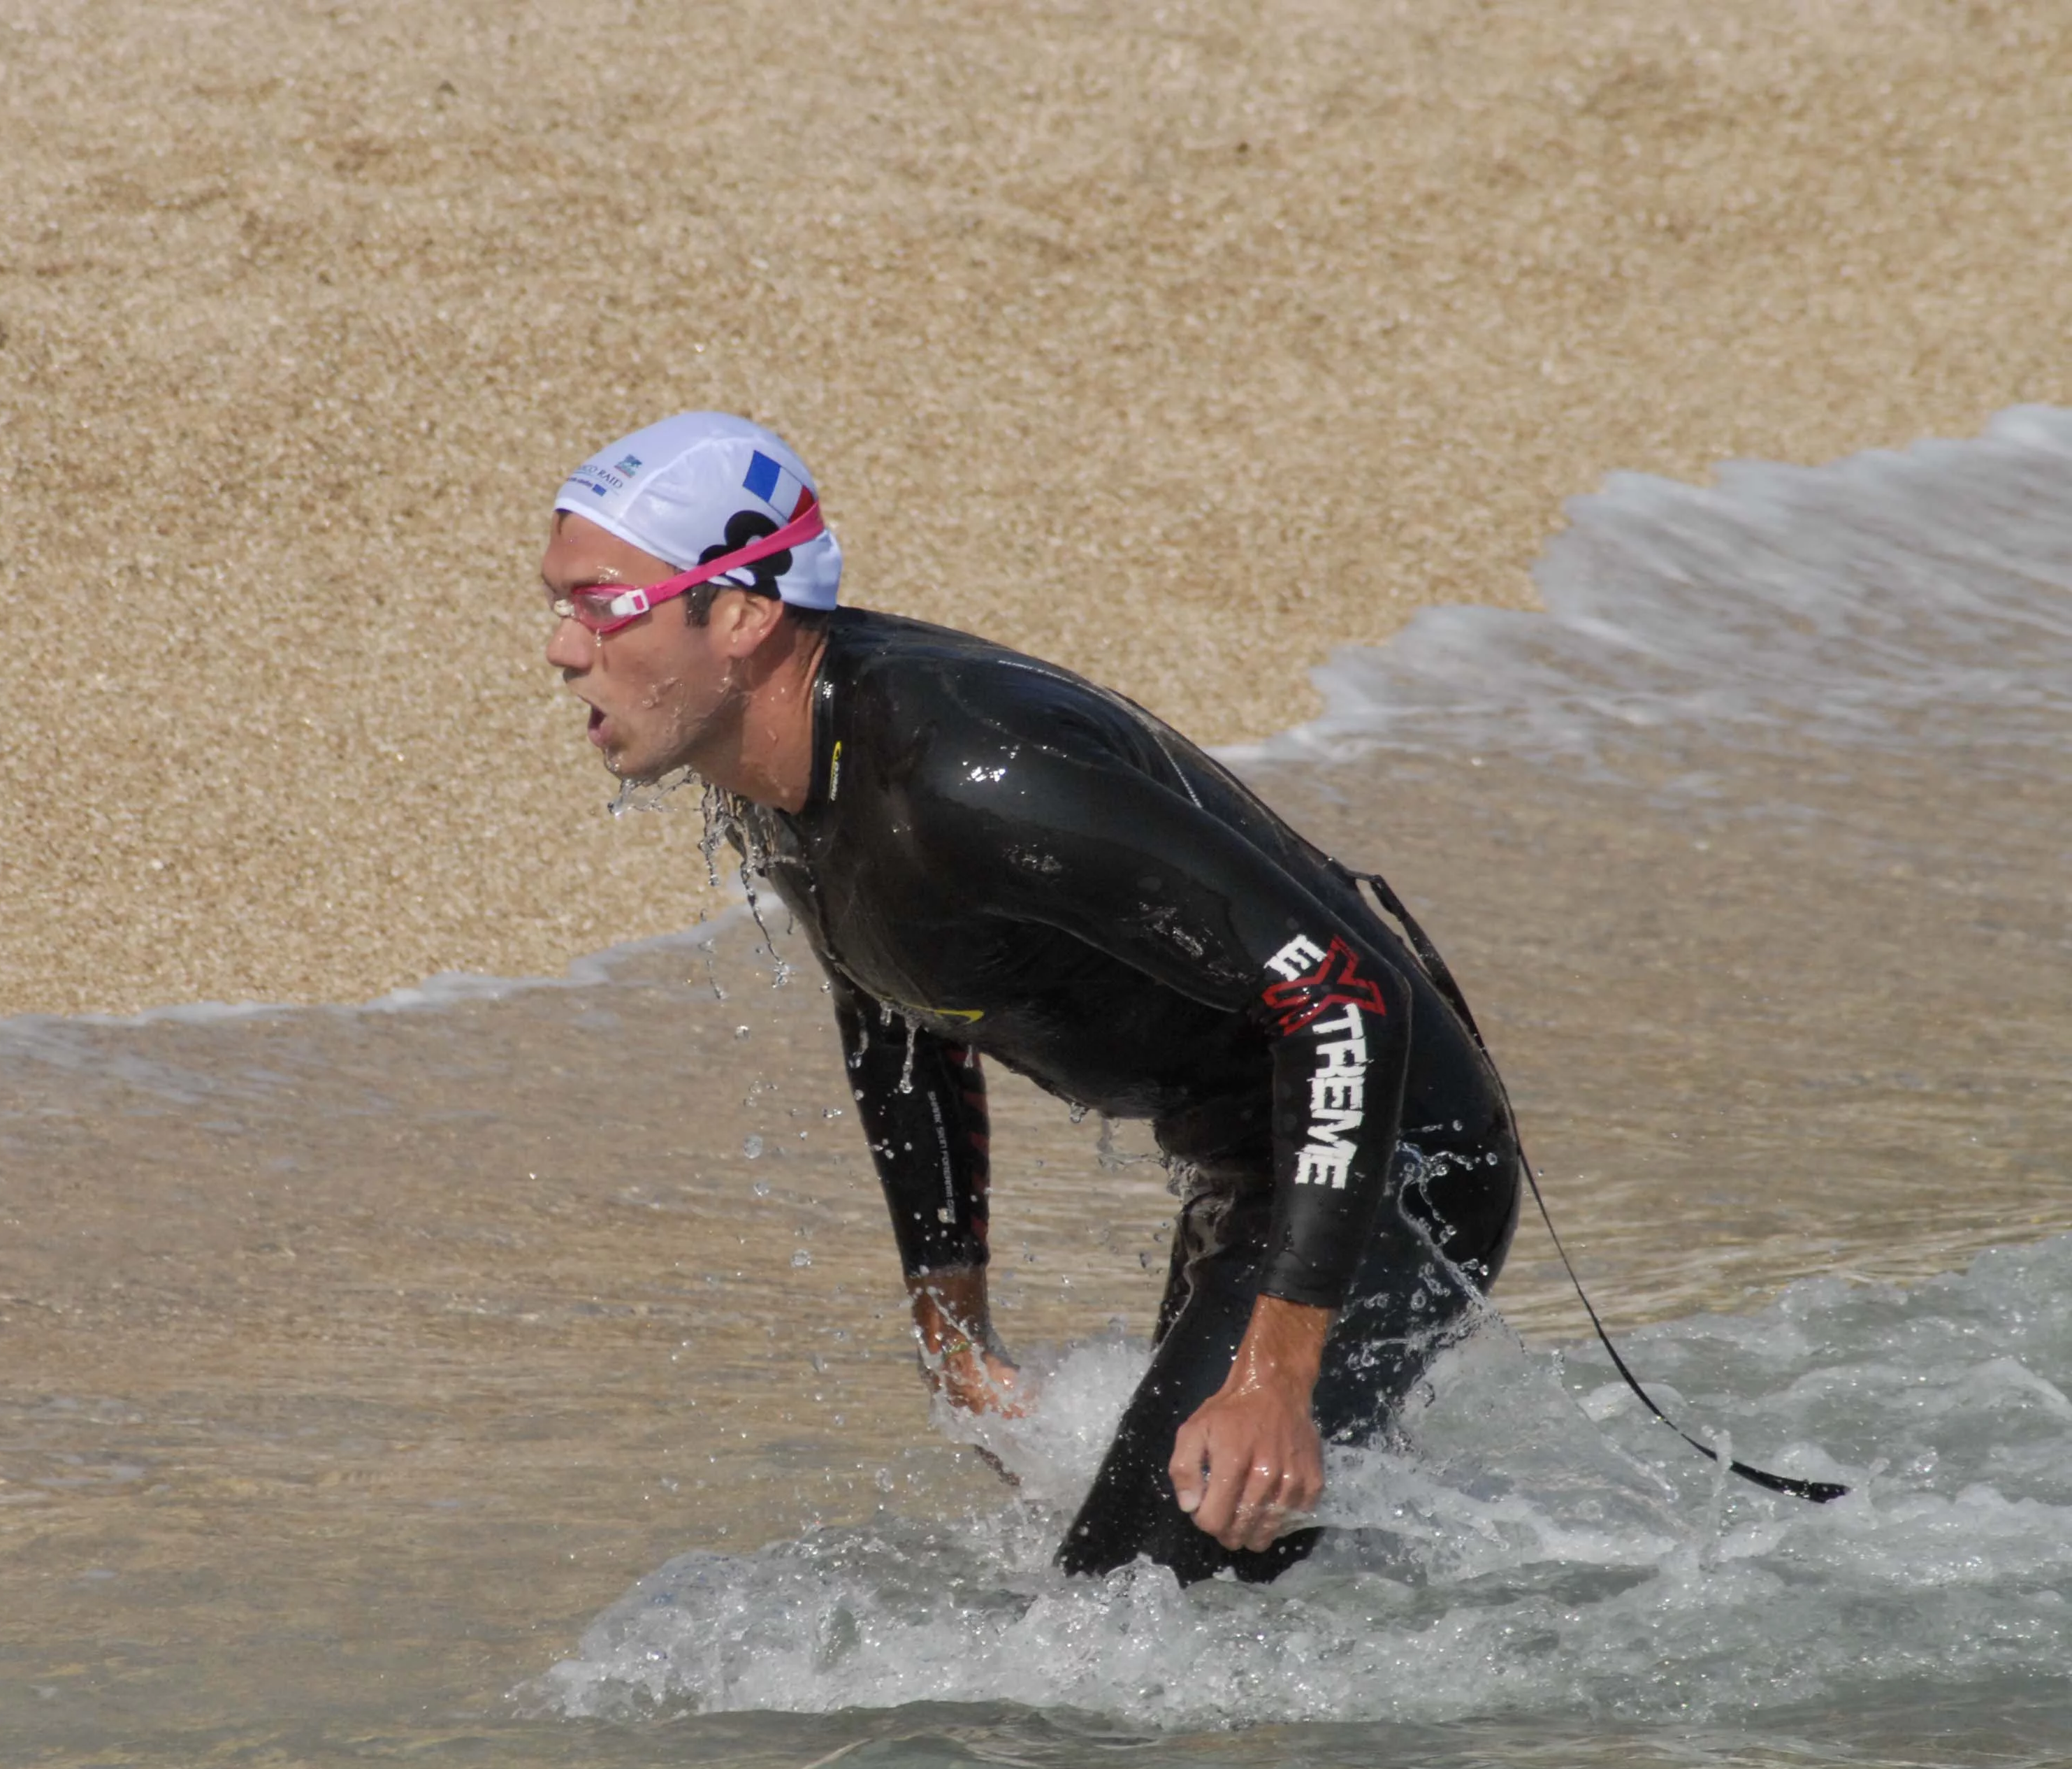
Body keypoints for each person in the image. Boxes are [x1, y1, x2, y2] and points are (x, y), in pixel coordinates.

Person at [539, 412, 1519, 1583]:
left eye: (604, 607)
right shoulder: (776, 762)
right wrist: (952, 1332)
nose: (562, 649)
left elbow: (1349, 1002)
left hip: (1396, 1163)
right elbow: (891, 1002)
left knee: (1119, 1626)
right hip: (1257, 1170)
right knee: (1195, 1605)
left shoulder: (973, 778)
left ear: (743, 616)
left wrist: (1274, 1376)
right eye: (558, 605)